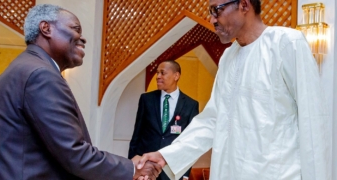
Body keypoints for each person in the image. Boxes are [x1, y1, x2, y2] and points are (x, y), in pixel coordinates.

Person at [137, 0, 331, 180]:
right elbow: (212, 120)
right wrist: (166, 156)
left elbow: (312, 122)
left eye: (217, 10)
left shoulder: (286, 43)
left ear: (244, 5)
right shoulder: (228, 57)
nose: (212, 19)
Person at [0, 4, 161, 180]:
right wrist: (131, 169)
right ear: (46, 28)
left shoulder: (25, 67)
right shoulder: (40, 75)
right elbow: (73, 152)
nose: (83, 38)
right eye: (75, 29)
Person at [129, 60, 199, 180]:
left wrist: (185, 174)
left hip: (173, 170)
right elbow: (137, 134)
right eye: (157, 73)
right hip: (146, 168)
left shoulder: (191, 104)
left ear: (176, 76)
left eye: (162, 73)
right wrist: (132, 165)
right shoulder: (146, 99)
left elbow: (190, 141)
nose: (158, 76)